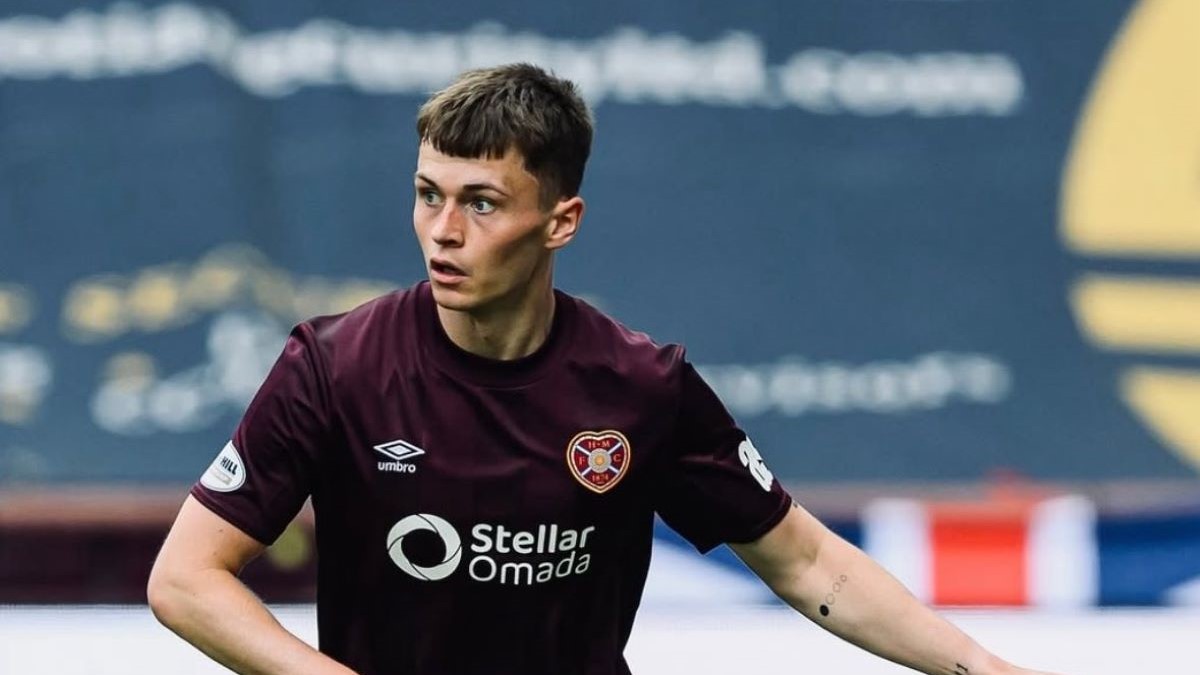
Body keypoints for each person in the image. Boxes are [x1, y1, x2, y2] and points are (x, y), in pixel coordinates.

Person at [148, 63, 1060, 675]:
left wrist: (980, 666)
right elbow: (185, 579)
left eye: (481, 203)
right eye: (428, 195)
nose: (443, 231)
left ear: (561, 221)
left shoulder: (640, 386)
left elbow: (807, 559)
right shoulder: (333, 366)